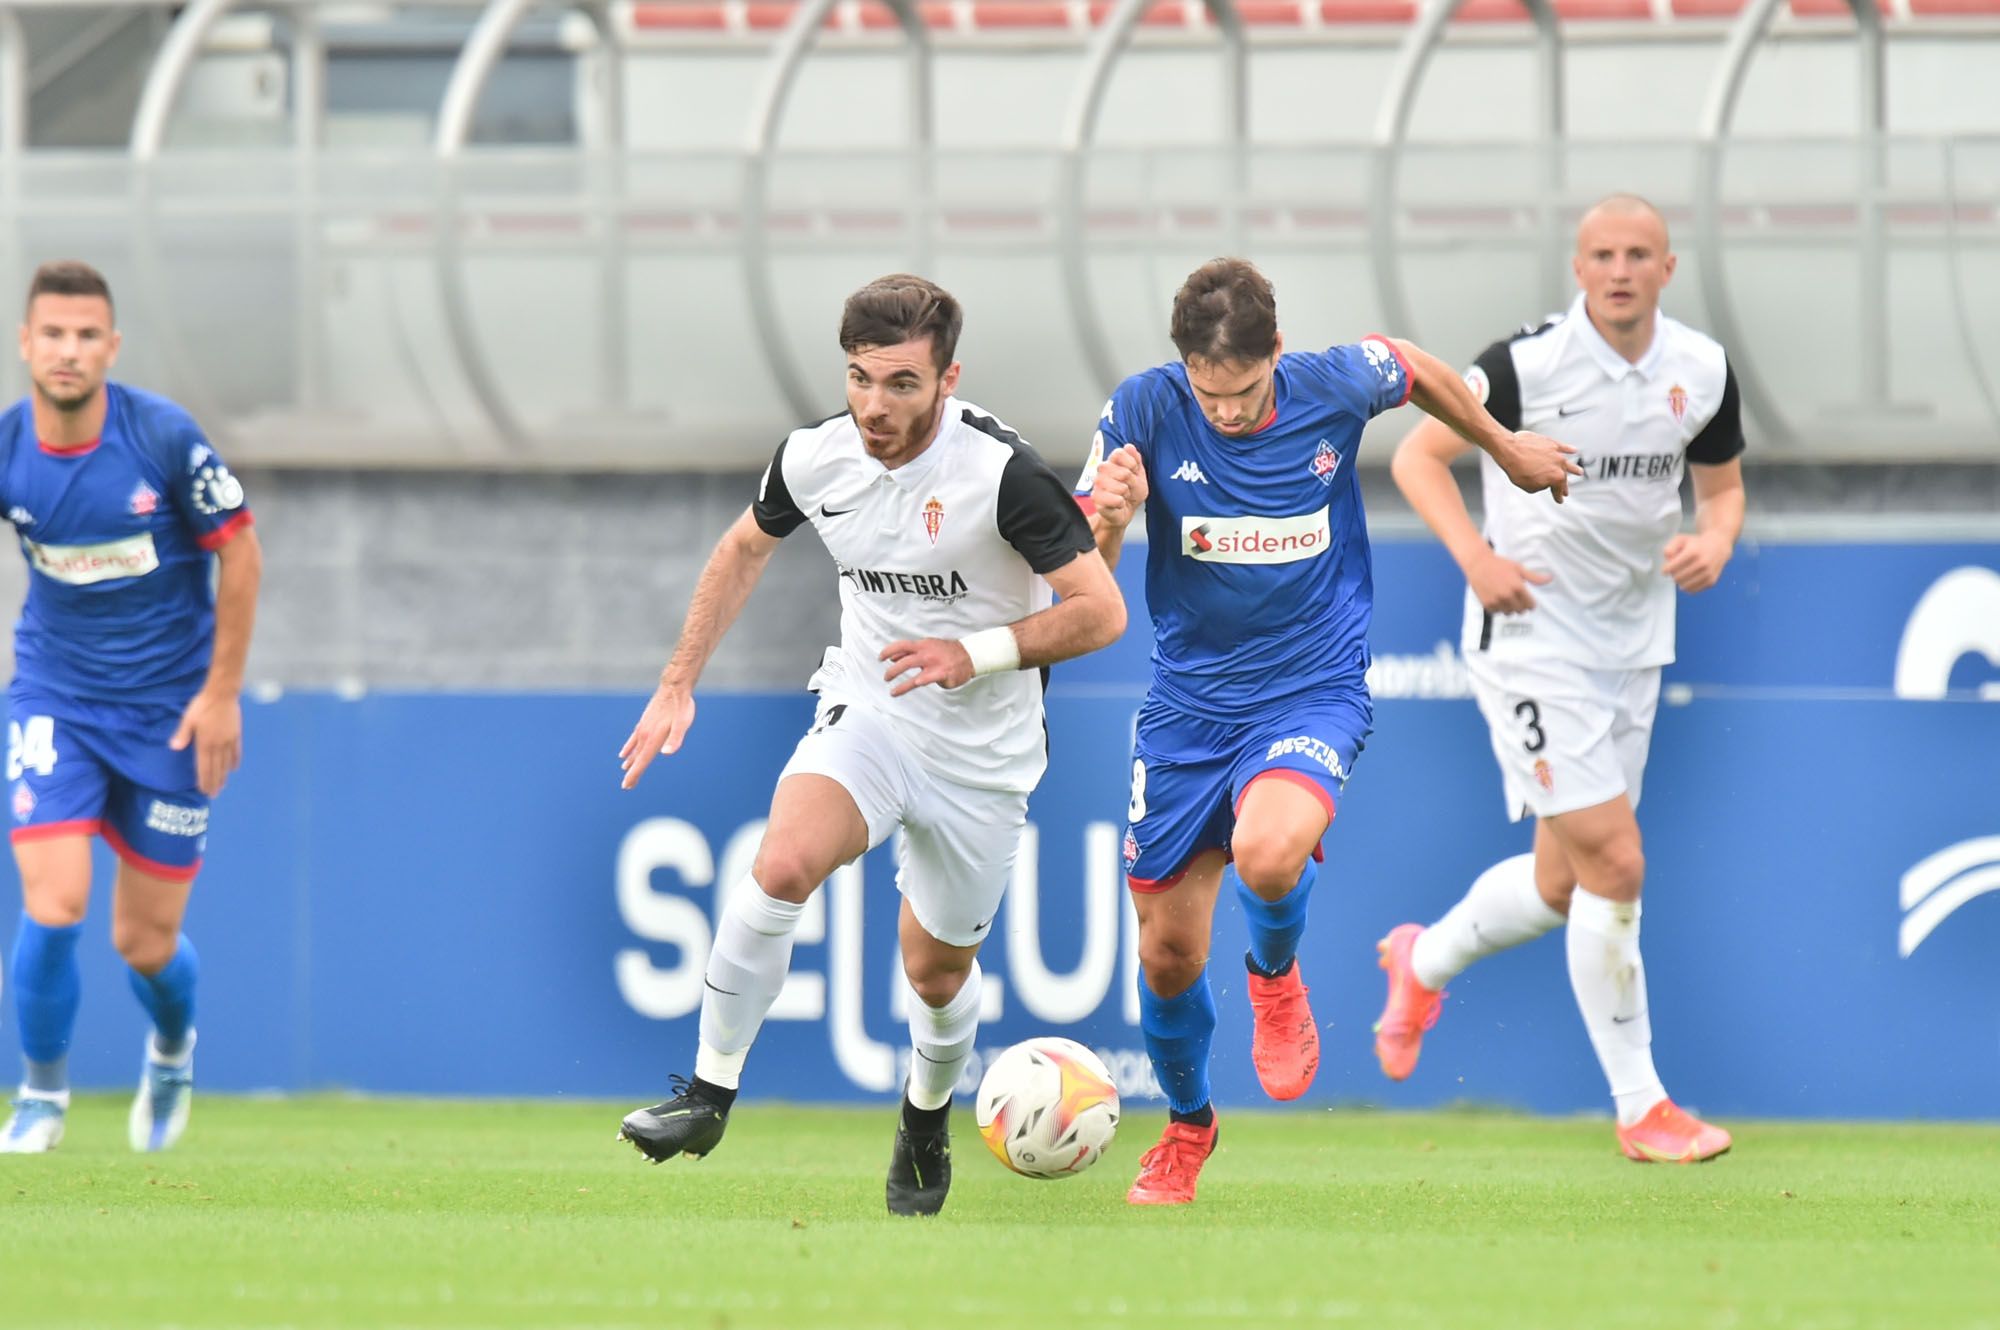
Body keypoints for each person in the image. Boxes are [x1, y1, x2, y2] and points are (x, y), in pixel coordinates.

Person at [614, 274, 1124, 1217]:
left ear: (947, 379)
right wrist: (677, 679)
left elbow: (1101, 613)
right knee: (782, 864)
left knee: (935, 976)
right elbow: (741, 550)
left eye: (899, 385)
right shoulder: (814, 459)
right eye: (858, 379)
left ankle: (925, 1121)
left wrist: (968, 654)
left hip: (983, 757)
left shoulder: (1001, 475)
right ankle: (707, 1093)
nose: (874, 407)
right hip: (874, 710)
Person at [1083, 257, 1581, 1206]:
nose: (1224, 413)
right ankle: (1188, 1130)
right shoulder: (1142, 412)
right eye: (1207, 392)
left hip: (1312, 688)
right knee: (1166, 956)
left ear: (1277, 351)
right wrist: (1110, 520)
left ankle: (1275, 973)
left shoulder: (1329, 384)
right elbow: (1089, 577)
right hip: (1188, 707)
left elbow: (1415, 366)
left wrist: (1505, 447)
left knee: (1270, 856)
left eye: (1240, 391)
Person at [1373, 194, 1745, 1164]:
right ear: (1575, 269)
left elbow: (1721, 487)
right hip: (1530, 637)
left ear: (1667, 268)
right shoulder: (1521, 364)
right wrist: (1474, 558)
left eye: (1637, 254)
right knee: (1614, 864)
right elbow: (1416, 456)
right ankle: (1641, 1107)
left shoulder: (1699, 368)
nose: (1618, 270)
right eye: (1600, 254)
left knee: (1556, 883)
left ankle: (1423, 957)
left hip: (1632, 642)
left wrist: (1714, 539)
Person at [0, 260, 261, 1154]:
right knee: (56, 902)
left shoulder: (161, 439)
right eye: (52, 333)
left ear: (110, 347)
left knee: (144, 945)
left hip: (171, 716)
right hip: (55, 701)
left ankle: (173, 1047)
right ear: (25, 343)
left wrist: (223, 694)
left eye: (85, 335)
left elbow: (244, 553)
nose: (68, 350)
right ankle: (40, 1098)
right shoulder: (8, 448)